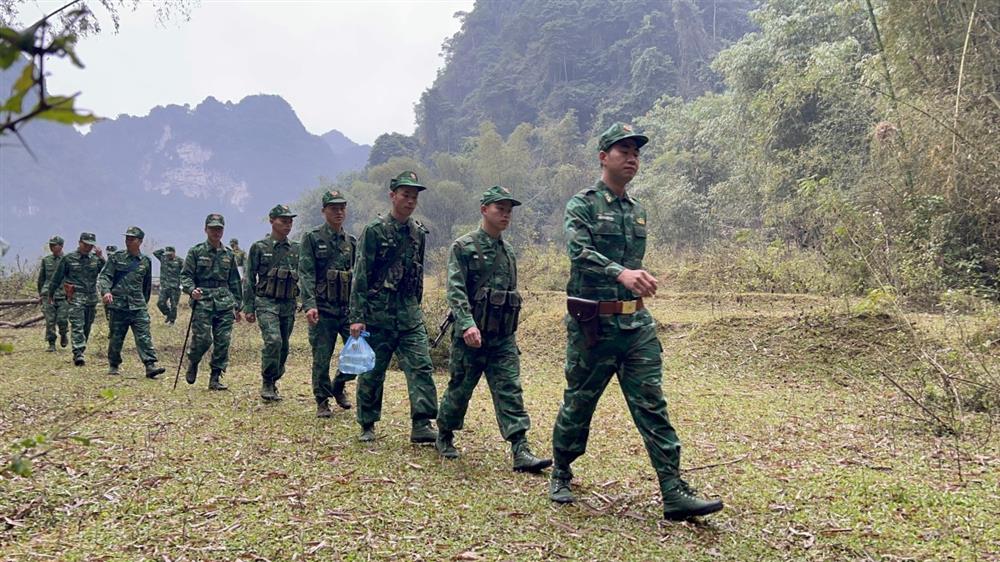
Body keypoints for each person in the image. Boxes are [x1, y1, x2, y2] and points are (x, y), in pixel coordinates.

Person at [549, 123, 724, 521]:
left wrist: (638, 279)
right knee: (579, 402)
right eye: (623, 150)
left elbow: (633, 266)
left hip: (636, 326)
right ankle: (561, 469)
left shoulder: (637, 210)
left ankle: (673, 489)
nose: (632, 157)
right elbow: (578, 251)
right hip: (593, 326)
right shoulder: (583, 205)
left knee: (652, 405)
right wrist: (621, 273)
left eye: (636, 152)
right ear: (603, 157)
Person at [436, 186, 552, 473]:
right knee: (460, 390)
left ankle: (520, 448)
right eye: (500, 208)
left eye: (509, 210)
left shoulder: (509, 252)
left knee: (510, 390)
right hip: (471, 337)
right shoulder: (463, 247)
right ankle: (444, 433)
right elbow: (456, 291)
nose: (506, 214)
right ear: (484, 209)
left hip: (502, 339)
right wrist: (466, 325)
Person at [349, 171, 438, 443]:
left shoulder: (418, 233)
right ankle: (367, 423)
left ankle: (422, 424)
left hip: (409, 315)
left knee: (421, 366)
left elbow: (418, 272)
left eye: (414, 196)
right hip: (378, 314)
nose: (410, 201)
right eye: (405, 195)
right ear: (392, 196)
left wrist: (417, 305)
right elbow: (361, 274)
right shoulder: (374, 231)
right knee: (372, 371)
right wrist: (357, 316)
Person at [298, 190, 357, 417]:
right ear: (324, 211)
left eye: (342, 207)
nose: (339, 212)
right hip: (322, 309)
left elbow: (358, 277)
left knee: (357, 354)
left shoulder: (351, 242)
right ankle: (322, 400)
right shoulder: (312, 239)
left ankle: (339, 384)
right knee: (321, 357)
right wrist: (309, 304)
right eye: (333, 208)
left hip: (347, 310)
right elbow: (306, 273)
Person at [243, 205, 300, 402]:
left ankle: (275, 378)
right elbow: (249, 278)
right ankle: (267, 381)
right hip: (266, 301)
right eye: (283, 220)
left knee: (283, 346)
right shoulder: (259, 247)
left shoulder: (296, 249)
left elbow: (307, 276)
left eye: (290, 221)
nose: (287, 224)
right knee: (273, 340)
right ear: (272, 221)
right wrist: (248, 307)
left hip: (288, 303)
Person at [180, 213, 243, 390]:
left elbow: (234, 281)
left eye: (219, 228)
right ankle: (193, 360)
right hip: (203, 300)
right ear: (205, 229)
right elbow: (185, 276)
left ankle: (215, 377)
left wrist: (238, 305)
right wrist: (192, 290)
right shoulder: (196, 251)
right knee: (203, 339)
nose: (216, 232)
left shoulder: (229, 255)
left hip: (224, 301)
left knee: (223, 341)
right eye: (213, 228)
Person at [97, 226, 166, 378]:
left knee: (144, 336)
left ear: (140, 241)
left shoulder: (145, 262)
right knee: (116, 337)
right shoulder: (116, 258)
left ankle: (150, 365)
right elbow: (105, 277)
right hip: (118, 305)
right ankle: (114, 364)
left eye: (132, 238)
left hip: (138, 306)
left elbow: (146, 286)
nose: (128, 241)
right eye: (127, 238)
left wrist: (143, 302)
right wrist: (106, 291)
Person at [48, 232, 105, 366]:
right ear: (79, 243)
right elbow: (57, 278)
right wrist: (50, 294)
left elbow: (106, 272)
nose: (88, 247)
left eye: (90, 245)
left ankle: (81, 347)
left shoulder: (95, 259)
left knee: (87, 326)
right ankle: (78, 352)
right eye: (85, 244)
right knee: (77, 325)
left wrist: (101, 257)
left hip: (91, 297)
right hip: (76, 296)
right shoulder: (68, 259)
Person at [37, 235, 69, 352]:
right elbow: (41, 279)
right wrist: (41, 294)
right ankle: (51, 343)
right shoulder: (46, 260)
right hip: (48, 295)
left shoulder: (68, 260)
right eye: (50, 245)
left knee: (62, 319)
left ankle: (64, 334)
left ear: (61, 246)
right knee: (50, 320)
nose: (51, 247)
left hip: (63, 295)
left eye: (54, 245)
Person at [153, 246, 182, 324]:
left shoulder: (180, 261)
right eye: (167, 254)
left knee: (174, 305)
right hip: (164, 286)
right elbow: (155, 253)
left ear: (174, 253)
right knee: (160, 303)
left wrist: (182, 283)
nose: (168, 256)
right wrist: (162, 250)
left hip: (174, 287)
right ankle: (168, 314)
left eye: (170, 254)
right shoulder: (163, 258)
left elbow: (185, 272)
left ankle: (172, 321)